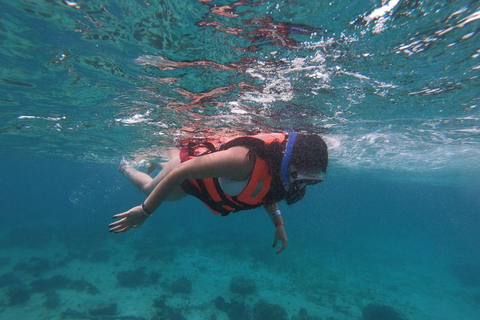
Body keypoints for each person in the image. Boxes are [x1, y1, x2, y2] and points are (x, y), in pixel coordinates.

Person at [109, 132, 328, 254]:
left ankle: (157, 161)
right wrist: (145, 211)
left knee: (164, 183)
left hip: (202, 178)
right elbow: (182, 172)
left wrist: (279, 225)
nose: (300, 186)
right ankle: (125, 167)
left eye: (310, 181)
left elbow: (266, 192)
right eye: (301, 179)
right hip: (185, 174)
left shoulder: (281, 170)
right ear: (292, 163)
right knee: (149, 188)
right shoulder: (243, 161)